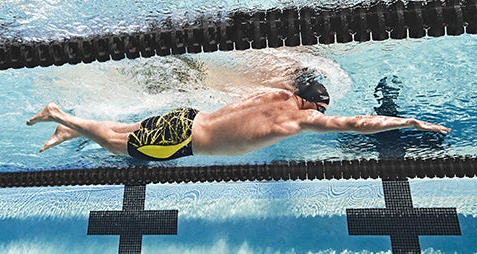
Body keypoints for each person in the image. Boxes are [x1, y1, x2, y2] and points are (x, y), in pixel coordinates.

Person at [25, 79, 450, 160]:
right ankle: (61, 115)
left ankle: (71, 125)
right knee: (119, 146)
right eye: (321, 109)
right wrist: (410, 124)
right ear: (313, 107)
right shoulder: (298, 122)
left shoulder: (276, 93)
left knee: (127, 132)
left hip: (188, 119)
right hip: (187, 141)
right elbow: (357, 125)